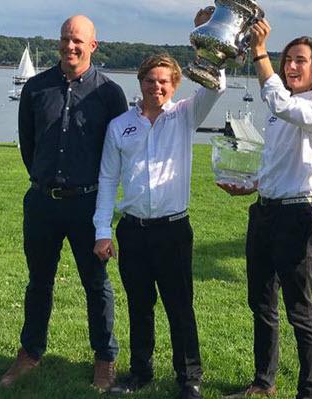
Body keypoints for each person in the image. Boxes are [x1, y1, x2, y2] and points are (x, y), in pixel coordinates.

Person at [91, 10, 221, 399]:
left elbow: (215, 87)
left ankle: (189, 378)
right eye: (150, 80)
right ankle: (140, 373)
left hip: (173, 229)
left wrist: (207, 37)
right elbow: (107, 180)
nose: (156, 87)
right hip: (133, 229)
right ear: (141, 82)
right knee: (140, 306)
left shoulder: (185, 116)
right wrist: (101, 232)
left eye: (164, 81)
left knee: (180, 307)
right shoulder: (120, 126)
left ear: (175, 85)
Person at [0, 15, 127, 391]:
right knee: (39, 281)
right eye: (65, 39)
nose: (70, 46)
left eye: (78, 41)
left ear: (93, 46)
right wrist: (45, 180)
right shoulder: (37, 88)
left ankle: (105, 357)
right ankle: (30, 353)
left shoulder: (109, 93)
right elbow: (28, 143)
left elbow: (118, 152)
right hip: (41, 203)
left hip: (87, 206)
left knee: (96, 283)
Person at [219, 19, 312, 399]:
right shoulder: (279, 109)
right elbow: (276, 162)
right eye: (287, 59)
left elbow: (284, 107)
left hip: (296, 216)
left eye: (300, 60)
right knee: (261, 302)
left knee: (299, 310)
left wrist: (260, 53)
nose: (291, 66)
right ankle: (264, 382)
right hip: (266, 212)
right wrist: (253, 186)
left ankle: (310, 391)